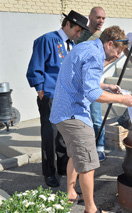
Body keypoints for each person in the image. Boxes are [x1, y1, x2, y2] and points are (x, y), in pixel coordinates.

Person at [49, 26, 132, 213]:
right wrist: (123, 99)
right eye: (118, 51)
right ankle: (91, 209)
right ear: (110, 43)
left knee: (76, 155)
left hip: (63, 112)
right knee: (88, 163)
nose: (118, 56)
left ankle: (71, 193)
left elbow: (84, 79)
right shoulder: (95, 56)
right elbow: (92, 93)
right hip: (74, 114)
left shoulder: (85, 47)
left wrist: (106, 86)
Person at [26, 10, 89, 187]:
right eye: (77, 30)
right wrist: (40, 89)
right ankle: (49, 172)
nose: (79, 34)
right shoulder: (47, 40)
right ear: (67, 24)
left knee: (63, 134)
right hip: (51, 95)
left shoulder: (73, 45)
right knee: (50, 134)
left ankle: (63, 166)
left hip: (68, 97)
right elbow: (36, 66)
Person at [75, 6, 107, 162]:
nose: (101, 21)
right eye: (98, 18)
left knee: (96, 117)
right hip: (78, 84)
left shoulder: (103, 37)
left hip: (93, 83)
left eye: (103, 18)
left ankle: (100, 147)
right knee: (81, 118)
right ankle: (85, 147)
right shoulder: (79, 35)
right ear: (90, 17)